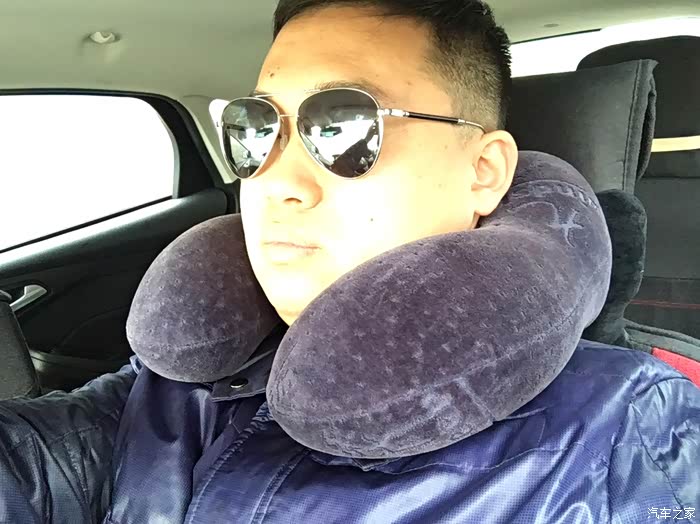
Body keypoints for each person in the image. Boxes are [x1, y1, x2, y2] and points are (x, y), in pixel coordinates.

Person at [1, 1, 698, 523]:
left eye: (341, 126)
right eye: (257, 129)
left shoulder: (631, 437)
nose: (277, 180)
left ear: (483, 172)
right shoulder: (183, 386)